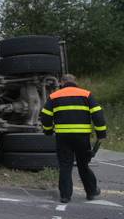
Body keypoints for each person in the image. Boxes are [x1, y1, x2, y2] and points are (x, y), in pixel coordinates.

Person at [40, 74, 107, 203]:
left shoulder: (54, 96)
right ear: (75, 82)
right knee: (83, 165)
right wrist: (101, 134)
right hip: (82, 137)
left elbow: (45, 116)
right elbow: (98, 115)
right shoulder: (86, 94)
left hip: (63, 138)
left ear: (61, 82)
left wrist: (48, 130)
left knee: (65, 165)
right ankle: (91, 191)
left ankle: (65, 196)